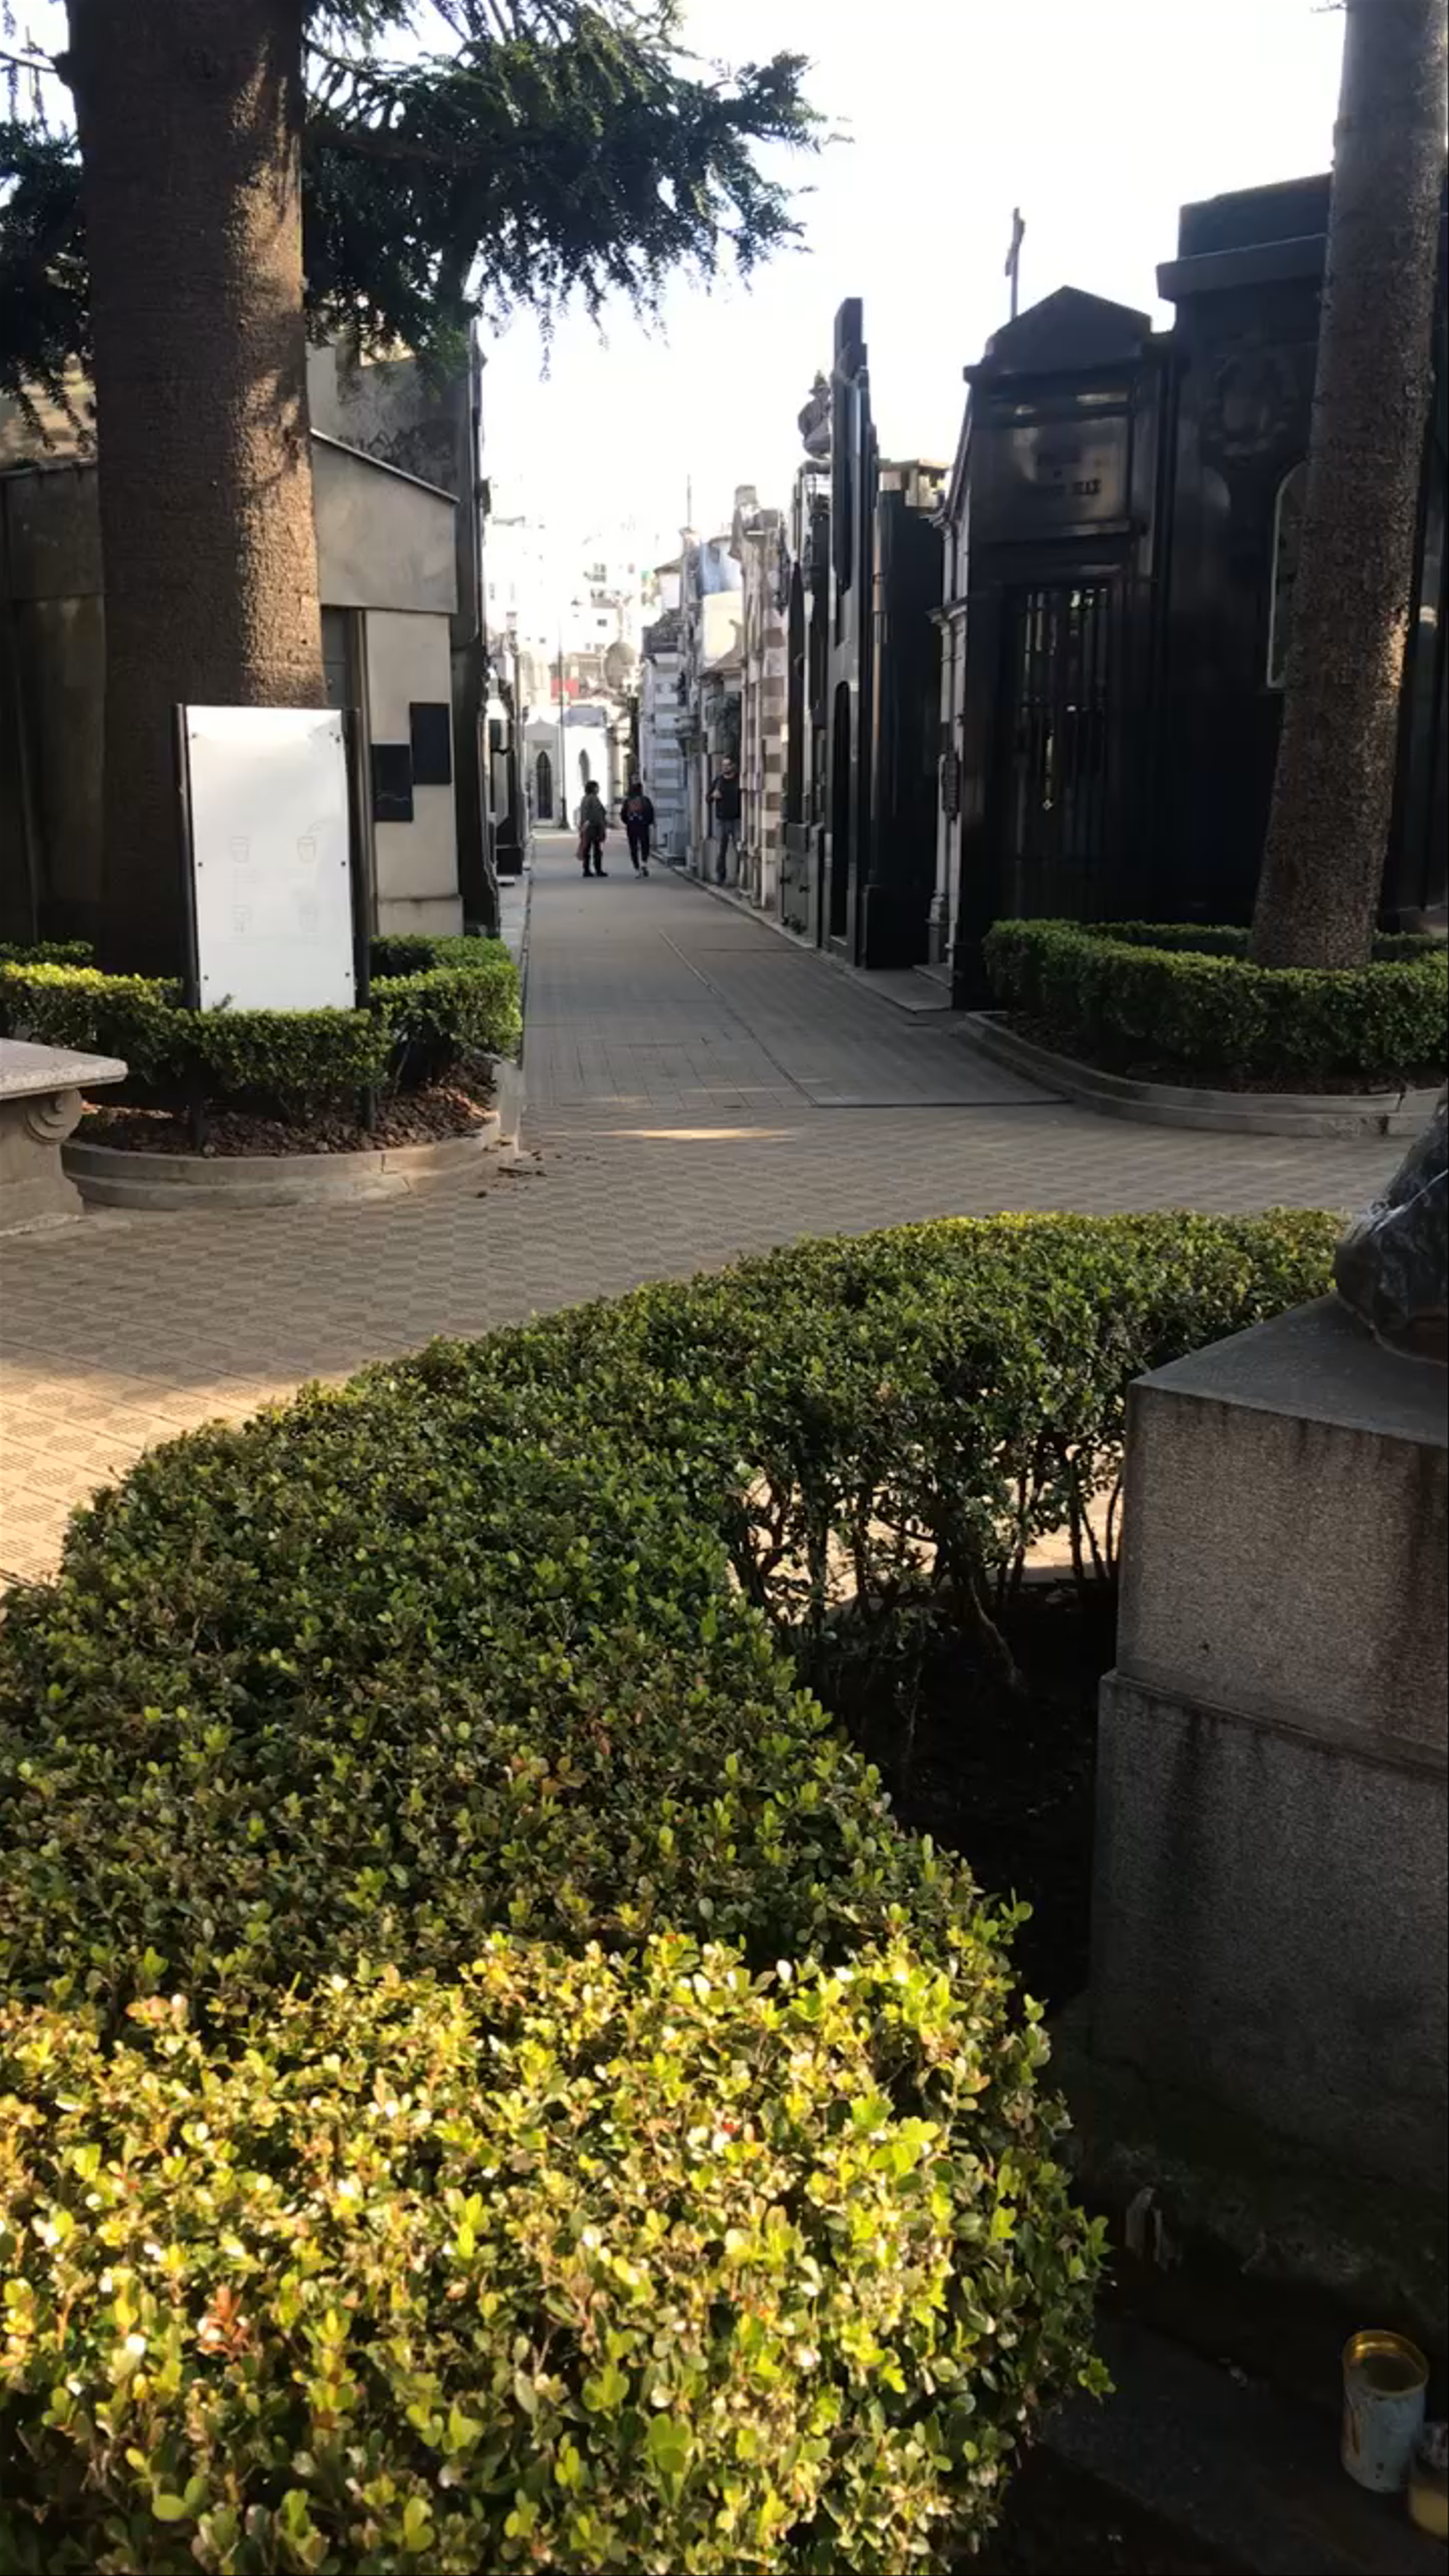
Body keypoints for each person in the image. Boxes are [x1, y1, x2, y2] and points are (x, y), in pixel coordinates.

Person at [706, 757, 743, 887]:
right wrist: (713, 796)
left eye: (728, 765)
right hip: (722, 820)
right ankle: (721, 877)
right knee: (721, 850)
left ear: (733, 766)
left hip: (737, 820)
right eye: (723, 766)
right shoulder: (718, 781)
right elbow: (708, 798)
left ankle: (740, 877)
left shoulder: (740, 780)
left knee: (739, 848)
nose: (725, 768)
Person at [620, 777, 655, 875]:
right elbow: (651, 813)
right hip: (643, 827)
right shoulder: (646, 800)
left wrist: (628, 823)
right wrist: (649, 823)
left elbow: (623, 815)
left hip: (632, 828)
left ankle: (637, 868)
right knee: (645, 845)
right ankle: (644, 864)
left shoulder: (628, 801)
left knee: (633, 847)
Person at [577, 778, 608, 877]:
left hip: (586, 827)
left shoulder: (584, 799)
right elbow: (597, 814)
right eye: (597, 787)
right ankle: (598, 870)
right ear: (594, 789)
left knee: (587, 849)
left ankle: (586, 870)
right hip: (594, 828)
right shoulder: (594, 799)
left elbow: (583, 814)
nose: (598, 789)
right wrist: (602, 826)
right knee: (597, 849)